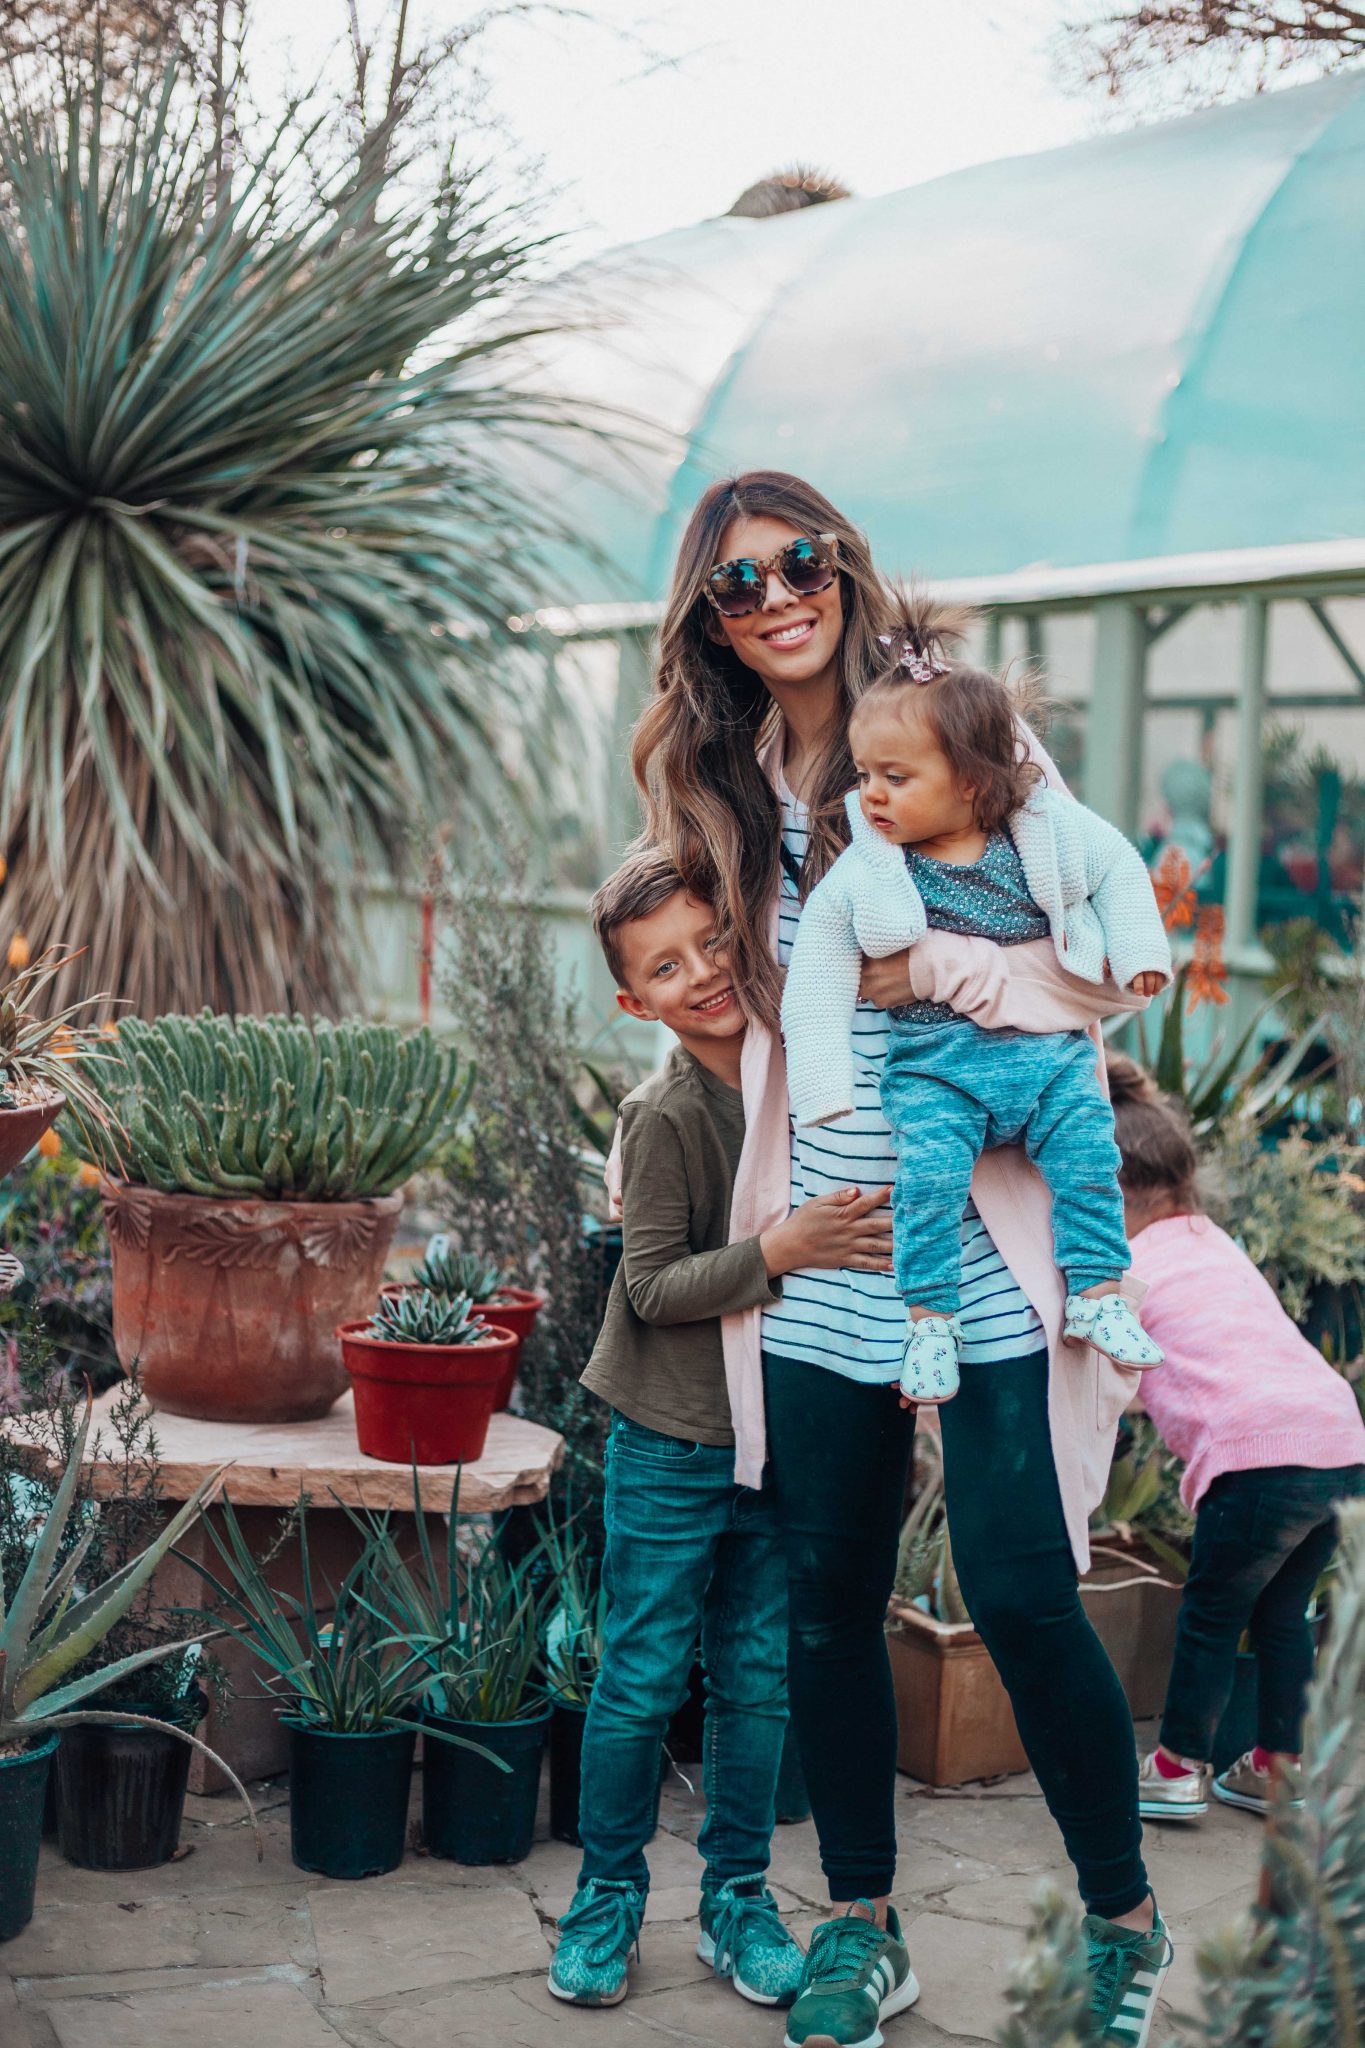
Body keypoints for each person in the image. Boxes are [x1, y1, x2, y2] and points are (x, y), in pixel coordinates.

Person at [631, 470, 1173, 2048]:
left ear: (840, 565)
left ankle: (1122, 1923)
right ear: (712, 622)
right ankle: (862, 1927)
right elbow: (716, 1005)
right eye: (739, 583)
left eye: (798, 561)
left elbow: (1089, 984)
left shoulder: (963, 728)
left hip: (980, 1239)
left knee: (1018, 1588)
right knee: (827, 1599)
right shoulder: (722, 788)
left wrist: (921, 966)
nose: (777, 595)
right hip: (823, 1245)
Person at [549, 848, 895, 2013]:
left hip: (781, 1432)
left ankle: (737, 1896)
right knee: (642, 1673)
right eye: (664, 964)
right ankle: (606, 1896)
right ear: (630, 997)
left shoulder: (802, 1082)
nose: (699, 974)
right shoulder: (665, 1116)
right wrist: (776, 1254)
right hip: (675, 1436)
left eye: (710, 943)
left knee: (756, 1677)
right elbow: (649, 1286)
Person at [781, 597, 1170, 1402]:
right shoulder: (873, 866)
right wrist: (821, 1087)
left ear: (967, 781)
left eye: (895, 777)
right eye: (864, 776)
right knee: (928, 1183)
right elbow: (818, 962)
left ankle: (1096, 1296)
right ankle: (929, 1322)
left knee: (1091, 1160)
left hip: (1049, 1061)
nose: (872, 796)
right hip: (936, 1070)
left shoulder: (1045, 829)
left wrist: (1138, 953)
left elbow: (1120, 867)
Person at [1106, 1053, 1365, 1823]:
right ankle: (1275, 1770)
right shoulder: (1214, 1244)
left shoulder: (1125, 1266)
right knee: (1282, 1615)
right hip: (1340, 1446)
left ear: (1109, 1191)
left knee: (1212, 1615)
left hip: (1255, 1459)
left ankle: (1177, 1765)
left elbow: (1105, 1372)